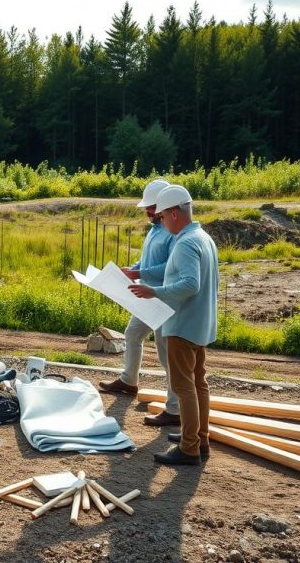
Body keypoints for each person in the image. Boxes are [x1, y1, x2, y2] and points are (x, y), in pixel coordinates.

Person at [130, 184, 219, 466]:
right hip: (200, 323)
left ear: (174, 214)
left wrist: (154, 291)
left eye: (163, 216)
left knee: (184, 387)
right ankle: (199, 439)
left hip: (182, 325)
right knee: (198, 384)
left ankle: (189, 447)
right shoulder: (204, 238)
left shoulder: (185, 243)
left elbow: (191, 284)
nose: (161, 221)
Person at [98, 179, 181, 426]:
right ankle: (129, 382)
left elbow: (170, 267)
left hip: (163, 298)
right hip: (147, 294)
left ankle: (175, 409)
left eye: (151, 207)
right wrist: (133, 269)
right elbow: (148, 260)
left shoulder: (172, 232)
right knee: (133, 334)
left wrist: (137, 274)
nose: (147, 211)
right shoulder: (156, 229)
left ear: (163, 206)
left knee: (167, 355)